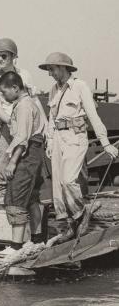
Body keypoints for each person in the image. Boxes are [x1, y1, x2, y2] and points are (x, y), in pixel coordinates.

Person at [39, 52, 118, 241]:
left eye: (52, 69)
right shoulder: (53, 90)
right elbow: (51, 118)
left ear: (63, 68)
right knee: (58, 187)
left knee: (68, 180)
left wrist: (105, 143)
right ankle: (68, 226)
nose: (50, 73)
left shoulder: (80, 86)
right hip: (57, 138)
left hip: (75, 137)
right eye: (48, 69)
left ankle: (80, 214)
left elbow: (93, 116)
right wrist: (50, 141)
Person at [0, 38, 47, 198]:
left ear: (13, 57)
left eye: (3, 56)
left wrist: (46, 127)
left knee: (29, 171)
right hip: (6, 128)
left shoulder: (25, 75)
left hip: (28, 127)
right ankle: (5, 212)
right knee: (4, 172)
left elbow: (34, 101)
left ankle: (27, 214)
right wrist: (13, 123)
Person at [0, 71, 45, 257]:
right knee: (31, 199)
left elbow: (22, 138)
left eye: (5, 92)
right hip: (36, 155)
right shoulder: (29, 103)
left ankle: (16, 247)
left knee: (15, 198)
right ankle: (37, 241)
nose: (3, 96)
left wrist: (12, 163)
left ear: (15, 88)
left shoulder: (23, 106)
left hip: (26, 155)